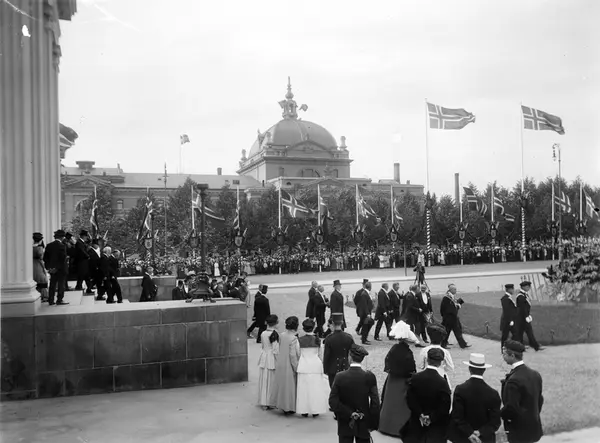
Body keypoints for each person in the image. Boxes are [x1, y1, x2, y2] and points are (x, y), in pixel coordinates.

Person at [329, 344, 380, 443]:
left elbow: (333, 401)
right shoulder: (369, 376)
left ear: (350, 357)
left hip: (345, 422)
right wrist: (373, 423)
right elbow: (375, 403)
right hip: (363, 421)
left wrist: (349, 413)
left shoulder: (340, 376)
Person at [448, 353, 501, 443]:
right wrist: (480, 432)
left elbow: (457, 416)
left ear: (469, 369)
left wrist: (469, 433)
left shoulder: (460, 389)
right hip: (484, 439)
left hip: (463, 437)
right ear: (484, 370)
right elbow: (495, 422)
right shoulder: (493, 393)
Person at [378, 321, 418, 438]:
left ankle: (386, 426)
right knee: (401, 405)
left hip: (392, 379)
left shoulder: (394, 348)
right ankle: (398, 429)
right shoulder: (408, 352)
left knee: (390, 402)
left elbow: (388, 363)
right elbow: (411, 369)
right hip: (403, 381)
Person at [500, 340, 544, 443]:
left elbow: (511, 407)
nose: (503, 356)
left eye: (504, 353)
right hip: (534, 427)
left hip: (519, 431)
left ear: (512, 355)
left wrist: (499, 414)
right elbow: (540, 400)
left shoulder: (513, 380)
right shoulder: (535, 374)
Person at [405, 348, 452, 443]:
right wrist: (431, 417)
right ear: (440, 362)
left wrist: (420, 414)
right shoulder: (442, 382)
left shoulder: (415, 378)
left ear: (427, 359)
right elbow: (445, 406)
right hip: (436, 426)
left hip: (416, 421)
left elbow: (409, 398)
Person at [296, 319, 329, 417]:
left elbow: (298, 353)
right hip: (315, 364)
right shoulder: (318, 340)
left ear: (303, 328)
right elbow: (321, 354)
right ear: (313, 328)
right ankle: (315, 410)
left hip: (303, 365)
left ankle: (304, 410)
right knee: (315, 388)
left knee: (303, 389)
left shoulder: (299, 340)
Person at [271, 316, 301, 415]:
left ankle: (281, 404)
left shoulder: (282, 335)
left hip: (281, 361)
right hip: (288, 364)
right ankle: (289, 406)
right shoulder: (293, 338)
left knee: (281, 385)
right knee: (289, 387)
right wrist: (296, 367)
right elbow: (293, 355)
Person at [323, 312, 355, 388]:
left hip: (332, 368)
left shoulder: (329, 338)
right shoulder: (349, 337)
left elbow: (326, 356)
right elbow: (353, 354)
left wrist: (325, 369)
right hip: (345, 367)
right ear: (342, 323)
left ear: (332, 323)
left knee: (334, 389)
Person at [418, 324, 454, 388]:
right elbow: (450, 367)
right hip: (441, 376)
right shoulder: (445, 352)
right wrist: (442, 368)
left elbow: (420, 366)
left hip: (426, 377)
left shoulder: (424, 350)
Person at [257, 314, 280, 410]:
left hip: (264, 356)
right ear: (276, 323)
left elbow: (263, 345)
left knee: (264, 379)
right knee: (271, 380)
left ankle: (263, 401)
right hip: (271, 358)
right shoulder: (274, 334)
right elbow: (276, 350)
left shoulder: (263, 333)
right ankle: (270, 401)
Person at [514, 282, 543, 352]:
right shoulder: (520, 296)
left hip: (523, 317)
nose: (529, 288)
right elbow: (522, 308)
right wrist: (526, 316)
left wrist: (528, 315)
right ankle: (535, 346)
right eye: (528, 286)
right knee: (528, 332)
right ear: (523, 287)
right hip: (522, 317)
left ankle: (521, 346)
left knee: (521, 332)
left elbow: (526, 307)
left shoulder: (524, 295)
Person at [42, 230, 69, 306]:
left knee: (52, 285)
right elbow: (62, 259)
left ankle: (51, 300)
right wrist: (57, 268)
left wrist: (49, 268)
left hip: (52, 269)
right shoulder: (62, 246)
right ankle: (59, 300)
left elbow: (45, 258)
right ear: (62, 237)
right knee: (61, 285)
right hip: (61, 269)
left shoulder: (49, 245)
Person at [441, 284, 470, 349]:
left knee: (457, 331)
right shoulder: (446, 298)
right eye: (454, 289)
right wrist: (445, 316)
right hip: (449, 318)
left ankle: (463, 344)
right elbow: (444, 308)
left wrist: (457, 306)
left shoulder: (451, 297)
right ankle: (443, 344)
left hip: (453, 317)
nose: (456, 290)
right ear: (451, 290)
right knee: (447, 332)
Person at [74, 230, 94, 294]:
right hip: (81, 261)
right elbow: (82, 251)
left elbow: (89, 241)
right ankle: (79, 286)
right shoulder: (79, 242)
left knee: (86, 275)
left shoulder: (82, 242)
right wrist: (87, 256)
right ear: (83, 236)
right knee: (82, 274)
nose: (87, 237)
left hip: (84, 261)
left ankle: (88, 288)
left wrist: (89, 236)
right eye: (86, 236)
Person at [500, 284, 517, 350]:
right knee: (505, 335)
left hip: (510, 320)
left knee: (515, 334)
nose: (513, 290)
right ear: (509, 290)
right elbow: (506, 311)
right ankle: (504, 348)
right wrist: (510, 320)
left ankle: (511, 346)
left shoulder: (509, 298)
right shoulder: (505, 299)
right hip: (507, 321)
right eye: (512, 289)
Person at [32, 232, 49, 303]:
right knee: (43, 281)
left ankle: (39, 295)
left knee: (37, 281)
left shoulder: (31, 247)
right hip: (39, 265)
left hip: (33, 265)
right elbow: (41, 257)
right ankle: (45, 296)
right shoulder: (39, 248)